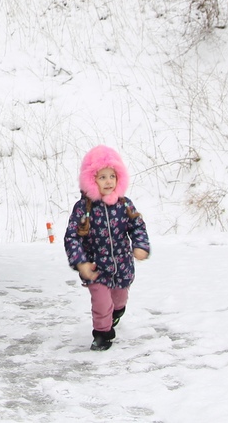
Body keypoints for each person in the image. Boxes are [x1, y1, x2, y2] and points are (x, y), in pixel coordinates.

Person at [63, 144, 150, 351]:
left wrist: (140, 245)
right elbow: (72, 237)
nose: (108, 181)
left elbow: (137, 225)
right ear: (91, 180)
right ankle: (102, 334)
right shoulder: (83, 208)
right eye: (102, 177)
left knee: (118, 300)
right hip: (96, 268)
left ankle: (117, 312)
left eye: (112, 176)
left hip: (122, 266)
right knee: (101, 304)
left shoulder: (124, 204)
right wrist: (81, 262)